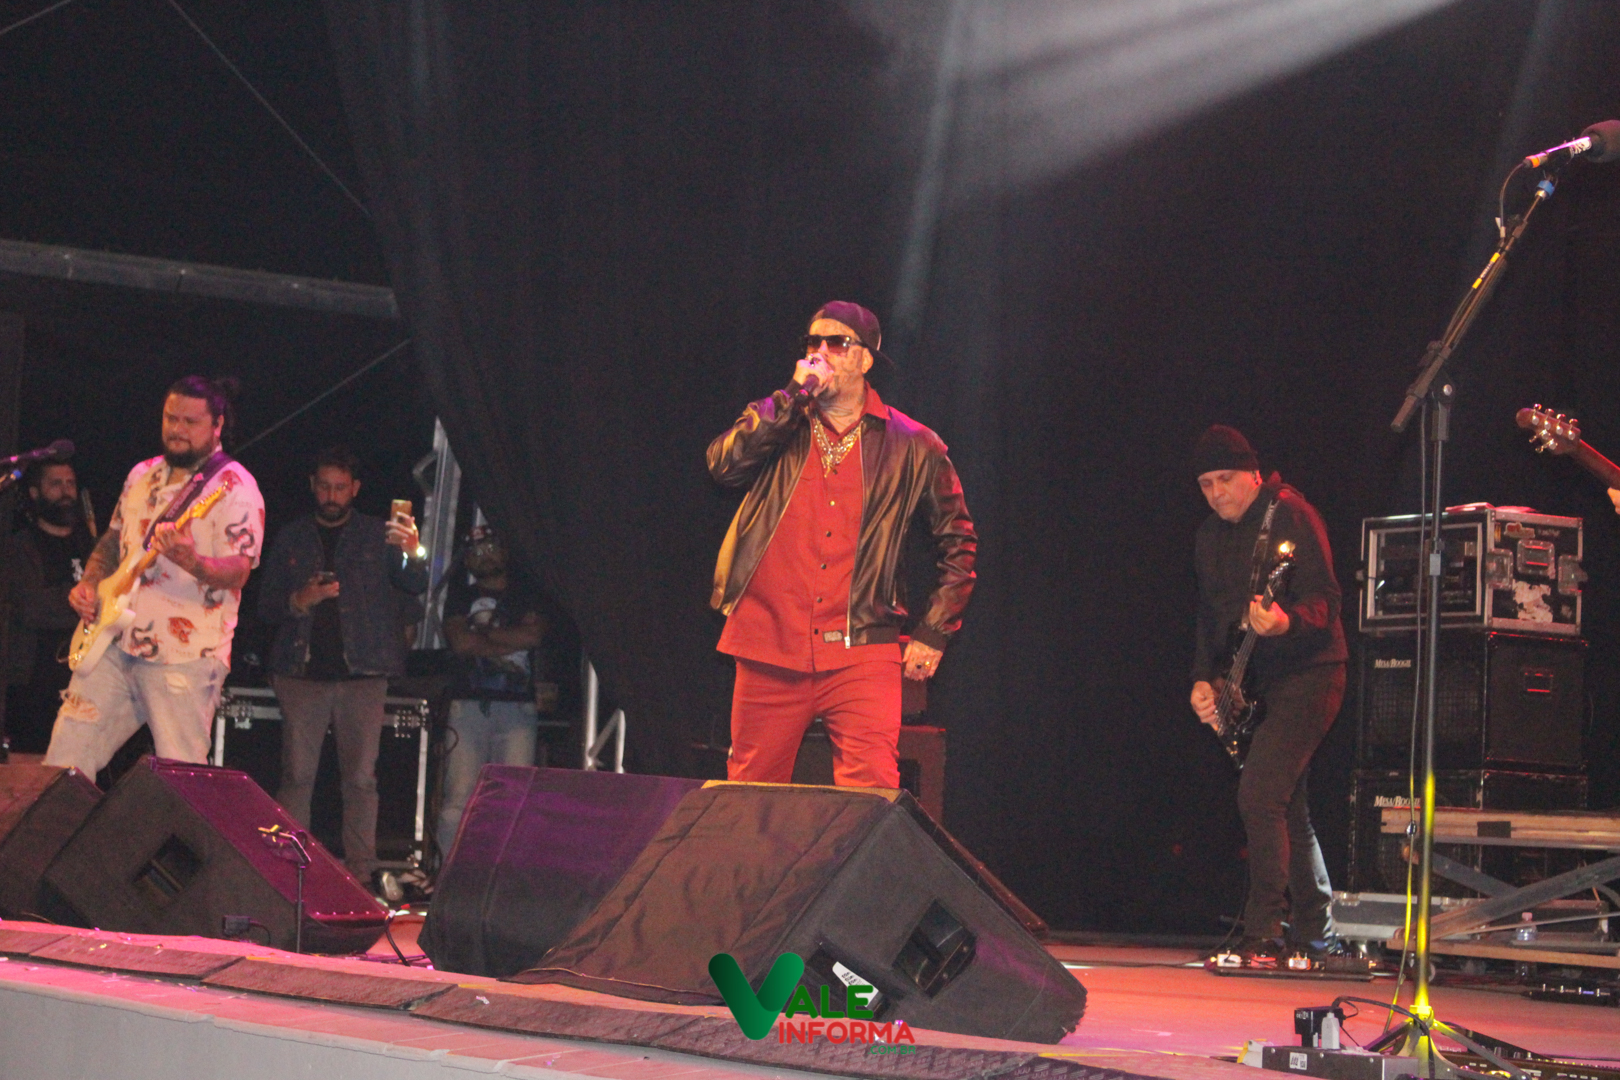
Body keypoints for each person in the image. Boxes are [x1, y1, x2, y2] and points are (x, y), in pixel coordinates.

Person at [706, 301, 976, 788]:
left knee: (872, 794)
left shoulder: (913, 445)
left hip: (861, 648)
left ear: (865, 359)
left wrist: (934, 630)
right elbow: (723, 466)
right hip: (769, 642)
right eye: (813, 342)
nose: (821, 352)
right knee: (750, 791)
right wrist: (792, 396)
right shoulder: (779, 421)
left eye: (837, 343)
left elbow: (958, 541)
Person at [44, 376, 263, 775]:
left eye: (190, 422)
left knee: (182, 779)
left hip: (184, 656)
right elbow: (113, 541)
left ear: (217, 426)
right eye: (170, 418)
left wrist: (192, 561)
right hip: (115, 643)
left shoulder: (235, 487)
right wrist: (89, 583)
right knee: (65, 759)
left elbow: (239, 571)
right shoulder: (141, 474)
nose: (177, 429)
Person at [1188, 425, 1348, 966]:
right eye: (1206, 484)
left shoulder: (1291, 515)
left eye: (1225, 479)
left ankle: (1264, 932)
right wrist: (1204, 680)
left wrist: (1286, 623)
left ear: (1253, 474)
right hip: (1259, 681)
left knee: (1259, 795)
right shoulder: (1209, 537)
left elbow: (1327, 599)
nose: (1216, 493)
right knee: (1286, 806)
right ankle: (1317, 933)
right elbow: (1210, 619)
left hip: (1312, 671)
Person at [257, 446, 428, 885]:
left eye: (339, 487)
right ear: (312, 486)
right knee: (297, 775)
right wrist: (301, 600)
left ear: (355, 489)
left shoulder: (377, 535)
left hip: (363, 673)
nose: (331, 496)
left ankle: (361, 876)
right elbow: (265, 604)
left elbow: (414, 584)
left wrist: (413, 549)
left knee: (361, 778)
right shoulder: (292, 537)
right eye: (324, 487)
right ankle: (289, 874)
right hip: (301, 673)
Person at [434, 525, 545, 858]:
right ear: (467, 559)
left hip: (518, 708)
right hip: (467, 705)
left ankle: (502, 871)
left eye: (490, 548)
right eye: (477, 551)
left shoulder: (527, 593)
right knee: (459, 796)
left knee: (514, 798)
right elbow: (460, 642)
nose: (484, 556)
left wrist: (482, 636)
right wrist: (509, 639)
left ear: (504, 552)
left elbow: (533, 637)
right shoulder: (460, 596)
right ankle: (450, 868)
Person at [1, 459, 96, 756]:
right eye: (56, 484)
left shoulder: (92, 547)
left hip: (87, 680)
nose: (66, 492)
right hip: (35, 684)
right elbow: (29, 607)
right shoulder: (20, 547)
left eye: (70, 484)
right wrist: (80, 601)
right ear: (34, 493)